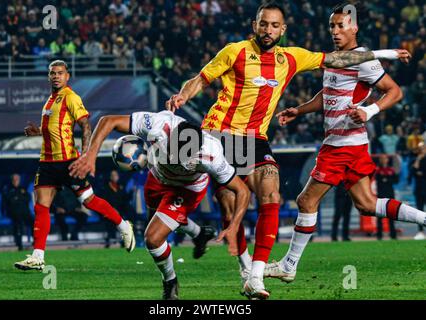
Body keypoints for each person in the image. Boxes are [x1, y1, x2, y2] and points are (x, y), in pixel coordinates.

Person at [166, 1, 410, 299]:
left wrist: (385, 54)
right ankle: (246, 268)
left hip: (255, 139)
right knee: (232, 210)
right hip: (219, 135)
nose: (268, 30)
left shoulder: (291, 57)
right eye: (263, 24)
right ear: (255, 25)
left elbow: (338, 59)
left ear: (283, 29)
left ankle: (256, 277)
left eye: (274, 25)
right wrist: (182, 95)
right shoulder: (235, 51)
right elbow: (200, 79)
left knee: (272, 194)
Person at [269, 3, 424, 284]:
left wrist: (369, 111)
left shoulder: (363, 60)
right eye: (332, 26)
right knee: (366, 204)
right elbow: (326, 94)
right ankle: (424, 219)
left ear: (354, 27)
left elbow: (394, 91)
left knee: (306, 200)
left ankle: (289, 265)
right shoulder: (335, 59)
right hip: (345, 143)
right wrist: (299, 110)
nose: (335, 31)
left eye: (341, 26)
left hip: (343, 145)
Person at [69, 110, 251, 300]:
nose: (176, 159)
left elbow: (242, 191)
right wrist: (91, 155)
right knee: (155, 222)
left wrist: (234, 225)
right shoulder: (158, 125)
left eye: (183, 158)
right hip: (156, 177)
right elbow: (109, 120)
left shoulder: (211, 155)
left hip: (187, 189)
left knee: (153, 238)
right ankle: (199, 233)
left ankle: (170, 281)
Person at [14, 60, 135, 271]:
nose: (56, 76)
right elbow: (56, 129)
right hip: (47, 163)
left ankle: (124, 225)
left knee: (88, 200)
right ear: (48, 76)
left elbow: (85, 125)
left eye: (60, 73)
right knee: (41, 204)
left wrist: (87, 155)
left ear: (67, 76)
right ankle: (38, 256)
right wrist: (38, 131)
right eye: (52, 73)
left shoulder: (71, 97)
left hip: (68, 161)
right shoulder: (49, 101)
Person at [3, 174, 34, 251]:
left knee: (34, 223)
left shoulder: (22, 188)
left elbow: (28, 198)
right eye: (15, 179)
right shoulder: (8, 189)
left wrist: (18, 199)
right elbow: (10, 201)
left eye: (18, 179)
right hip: (14, 212)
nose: (16, 181)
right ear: (12, 180)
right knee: (19, 224)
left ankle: (36, 243)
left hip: (25, 212)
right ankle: (19, 245)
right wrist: (20, 199)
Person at [102, 170, 129, 248]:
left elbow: (124, 199)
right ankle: (109, 240)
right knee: (110, 221)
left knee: (127, 217)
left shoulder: (120, 186)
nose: (115, 177)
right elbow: (105, 200)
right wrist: (112, 208)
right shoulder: (106, 187)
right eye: (113, 175)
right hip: (109, 210)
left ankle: (124, 241)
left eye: (116, 175)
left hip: (120, 210)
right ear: (110, 177)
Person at [375, 154, 399, 240]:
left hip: (390, 195)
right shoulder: (377, 170)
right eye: (382, 158)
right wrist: (387, 179)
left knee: (391, 215)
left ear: (387, 160)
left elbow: (396, 181)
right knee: (380, 217)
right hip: (381, 195)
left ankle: (393, 235)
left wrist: (387, 179)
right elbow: (378, 180)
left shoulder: (391, 170)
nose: (384, 160)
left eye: (385, 158)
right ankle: (379, 235)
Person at [412, 142, 426, 240]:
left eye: (423, 148)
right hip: (419, 189)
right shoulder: (416, 159)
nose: (422, 150)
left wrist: (420, 173)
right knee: (419, 211)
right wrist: (418, 158)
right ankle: (420, 231)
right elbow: (414, 171)